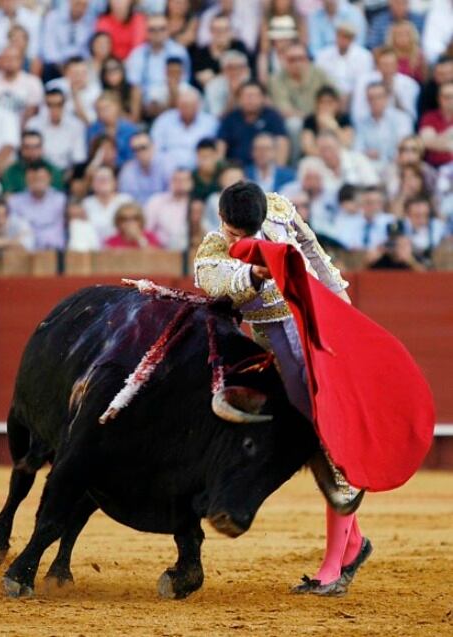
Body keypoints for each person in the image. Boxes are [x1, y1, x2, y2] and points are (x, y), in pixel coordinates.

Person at [194, 181, 370, 596]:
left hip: (317, 331)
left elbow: (314, 252)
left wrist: (341, 307)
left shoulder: (277, 208)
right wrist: (251, 272)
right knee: (315, 441)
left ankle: (334, 567)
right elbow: (212, 280)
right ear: (221, 220)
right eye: (233, 233)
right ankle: (354, 544)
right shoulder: (214, 248)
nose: (239, 240)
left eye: (246, 234)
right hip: (277, 352)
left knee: (330, 440)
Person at [217, 80, 289, 167]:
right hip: (237, 169)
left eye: (254, 96)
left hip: (266, 169)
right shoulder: (230, 118)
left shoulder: (272, 116)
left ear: (263, 98)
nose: (250, 100)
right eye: (246, 96)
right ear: (239, 99)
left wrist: (278, 170)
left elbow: (282, 142)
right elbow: (221, 145)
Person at [150, 85, 218, 171]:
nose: (187, 109)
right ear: (177, 105)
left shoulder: (210, 123)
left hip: (200, 171)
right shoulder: (164, 120)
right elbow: (155, 149)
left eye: (191, 105)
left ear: (198, 105)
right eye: (184, 105)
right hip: (168, 172)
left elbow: (216, 149)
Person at [8, 161, 66, 250]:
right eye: (33, 179)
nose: (37, 183)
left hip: (55, 250)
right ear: (26, 180)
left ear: (49, 178)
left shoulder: (61, 200)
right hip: (26, 251)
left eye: (40, 178)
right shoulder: (15, 202)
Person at [26, 88, 87, 172]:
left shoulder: (76, 125)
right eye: (50, 105)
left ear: (64, 104)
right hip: (39, 170)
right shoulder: (33, 124)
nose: (54, 109)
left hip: (67, 172)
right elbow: (28, 154)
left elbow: (78, 158)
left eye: (59, 104)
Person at [314, 21, 374, 107]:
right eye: (341, 36)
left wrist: (348, 97)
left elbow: (363, 83)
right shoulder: (322, 55)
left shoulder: (364, 56)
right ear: (336, 36)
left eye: (347, 37)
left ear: (353, 39)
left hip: (355, 99)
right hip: (329, 98)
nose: (343, 40)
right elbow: (319, 80)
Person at [0, 45, 44, 123]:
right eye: (6, 58)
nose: (9, 62)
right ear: (0, 60)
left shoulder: (33, 82)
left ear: (21, 61)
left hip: (24, 128)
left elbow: (32, 112)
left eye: (13, 58)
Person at [40, 0, 96, 81]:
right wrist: (62, 66)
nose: (80, 8)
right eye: (77, 4)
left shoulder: (90, 22)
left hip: (79, 65)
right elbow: (49, 47)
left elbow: (87, 49)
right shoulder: (53, 17)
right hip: (57, 65)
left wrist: (78, 65)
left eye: (84, 6)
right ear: (70, 2)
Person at [0, 130, 64, 194]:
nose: (32, 151)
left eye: (36, 147)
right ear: (21, 149)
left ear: (42, 149)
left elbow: (58, 195)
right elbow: (7, 196)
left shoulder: (53, 171)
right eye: (27, 147)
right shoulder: (11, 172)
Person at [144, 167, 193, 250]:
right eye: (176, 180)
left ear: (191, 183)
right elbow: (146, 229)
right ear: (170, 182)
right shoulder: (156, 201)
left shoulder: (195, 205)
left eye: (184, 180)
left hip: (188, 252)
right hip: (159, 251)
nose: (180, 183)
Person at [82, 165, 132, 243]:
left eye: (107, 179)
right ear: (92, 184)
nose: (103, 182)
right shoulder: (87, 204)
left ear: (115, 182)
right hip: (93, 249)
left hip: (120, 248)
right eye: (99, 179)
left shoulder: (125, 201)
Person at [117, 131, 169, 204]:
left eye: (143, 148)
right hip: (137, 212)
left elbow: (170, 196)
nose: (140, 152)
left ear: (153, 146)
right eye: (135, 149)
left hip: (161, 211)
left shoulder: (166, 165)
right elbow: (126, 199)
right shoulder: (127, 171)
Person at [419, 82, 453, 168]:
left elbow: (433, 141)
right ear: (439, 98)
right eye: (446, 97)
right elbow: (427, 142)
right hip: (434, 166)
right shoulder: (429, 117)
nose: (450, 100)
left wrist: (438, 139)